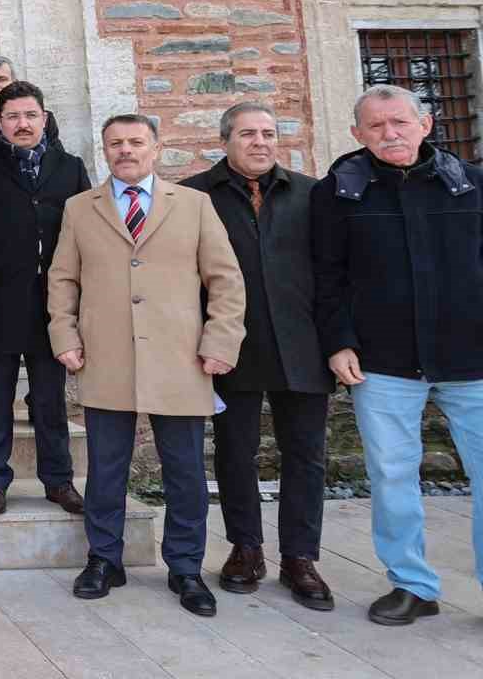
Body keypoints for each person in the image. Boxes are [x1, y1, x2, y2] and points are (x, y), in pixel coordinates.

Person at [49, 113, 244, 616]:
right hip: (106, 354)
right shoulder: (80, 207)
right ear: (105, 150)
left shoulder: (195, 205)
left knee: (184, 470)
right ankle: (103, 559)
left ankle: (185, 566)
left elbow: (225, 280)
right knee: (106, 469)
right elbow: (63, 279)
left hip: (181, 357)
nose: (125, 151)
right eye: (115, 143)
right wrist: (64, 334)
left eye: (136, 142)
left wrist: (221, 340)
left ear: (156, 148)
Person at [312, 84, 483, 626]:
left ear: (425, 125)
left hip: (474, 360)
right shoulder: (338, 193)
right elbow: (326, 277)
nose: (391, 134)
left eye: (401, 123)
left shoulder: (473, 186)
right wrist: (338, 341)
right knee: (391, 476)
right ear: (357, 134)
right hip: (382, 362)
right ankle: (412, 584)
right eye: (377, 126)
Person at [183, 102, 334, 609]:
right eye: (248, 134)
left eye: (268, 133)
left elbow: (334, 274)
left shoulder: (311, 194)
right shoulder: (195, 195)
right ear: (225, 140)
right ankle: (245, 548)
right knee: (233, 452)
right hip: (232, 347)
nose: (260, 142)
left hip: (303, 344)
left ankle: (300, 557)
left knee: (306, 455)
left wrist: (339, 342)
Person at [0, 81, 88, 515]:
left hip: (51, 306)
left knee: (50, 402)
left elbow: (85, 238)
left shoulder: (70, 167)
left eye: (30, 115)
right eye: (13, 116)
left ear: (44, 118)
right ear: (0, 123)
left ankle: (58, 481)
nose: (22, 123)